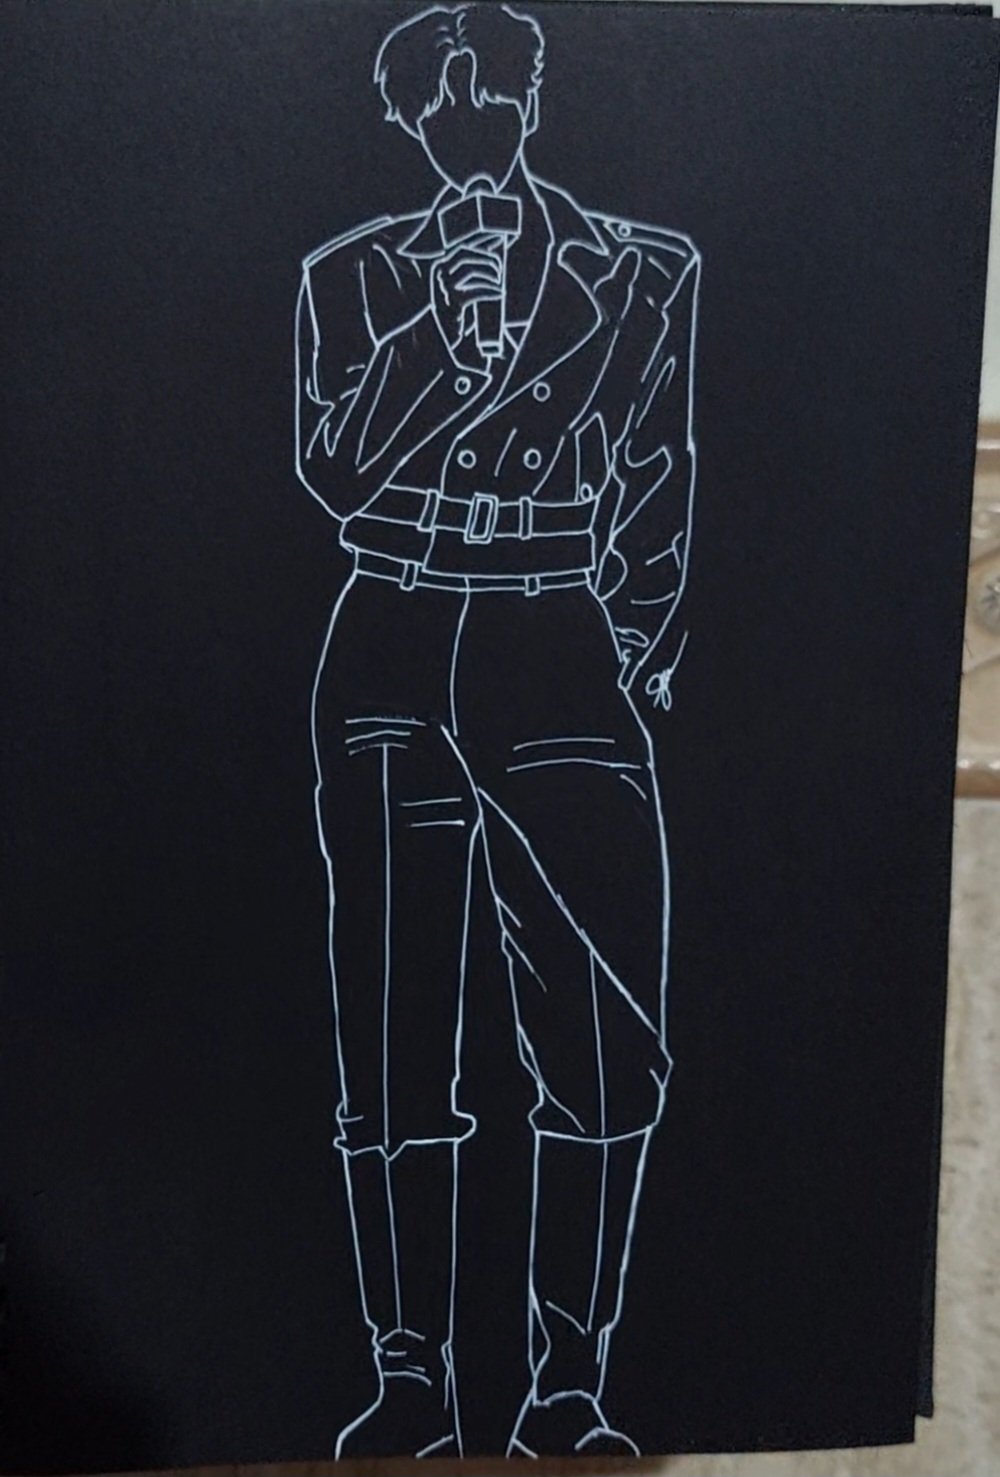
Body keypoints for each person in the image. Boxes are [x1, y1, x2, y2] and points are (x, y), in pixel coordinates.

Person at [295, 2, 699, 1457]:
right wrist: (433, 341)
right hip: (393, 624)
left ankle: (570, 1384)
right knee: (391, 1017)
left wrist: (627, 659)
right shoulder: (352, 276)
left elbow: (659, 473)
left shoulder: (642, 269)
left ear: (527, 102)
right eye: (438, 109)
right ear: (410, 123)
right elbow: (332, 469)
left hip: (552, 627)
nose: (465, 128)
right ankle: (410, 1376)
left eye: (487, 100)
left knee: (600, 1019)